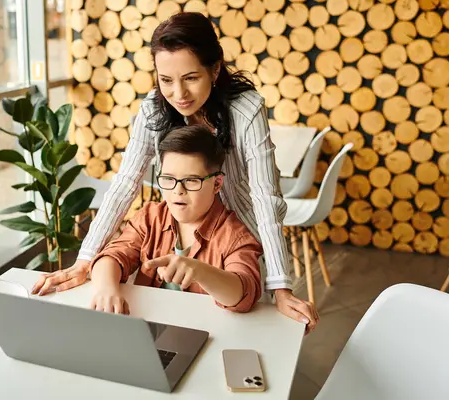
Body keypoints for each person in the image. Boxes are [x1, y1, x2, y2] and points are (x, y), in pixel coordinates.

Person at [32, 12, 319, 333]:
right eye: (166, 80)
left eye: (191, 78)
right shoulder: (152, 108)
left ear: (215, 69)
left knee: (245, 321)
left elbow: (266, 197)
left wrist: (280, 286)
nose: (179, 93)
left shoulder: (246, 109)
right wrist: (86, 260)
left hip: (239, 231)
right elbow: (126, 183)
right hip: (184, 227)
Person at [89, 125, 262, 314]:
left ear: (217, 183)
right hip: (150, 326)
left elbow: (244, 293)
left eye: (191, 180)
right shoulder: (150, 217)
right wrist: (106, 288)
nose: (178, 190)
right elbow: (112, 256)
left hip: (206, 331)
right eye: (168, 179)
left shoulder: (236, 235)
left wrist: (199, 271)